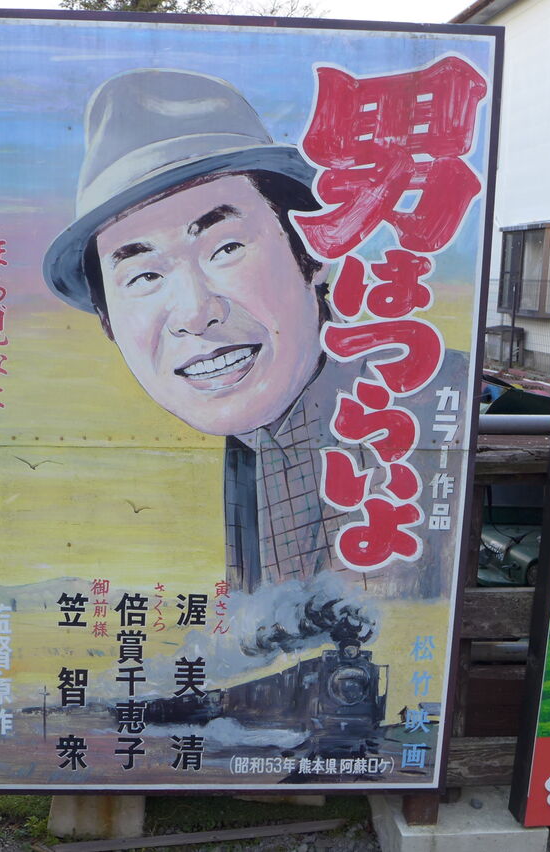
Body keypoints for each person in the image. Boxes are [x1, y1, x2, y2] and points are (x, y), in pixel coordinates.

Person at [44, 68, 410, 593]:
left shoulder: (413, 416)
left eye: (226, 248)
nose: (195, 312)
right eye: (144, 276)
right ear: (109, 322)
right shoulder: (254, 439)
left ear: (314, 250)